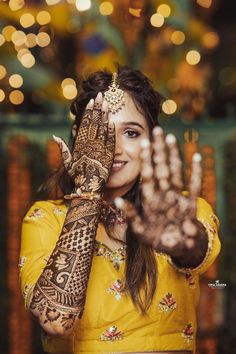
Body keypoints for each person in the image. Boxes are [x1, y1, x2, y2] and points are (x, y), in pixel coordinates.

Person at [19, 65, 221, 354]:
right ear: (79, 138)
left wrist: (186, 243)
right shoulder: (45, 218)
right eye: (101, 132)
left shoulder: (179, 211)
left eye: (131, 132)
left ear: (152, 140)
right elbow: (56, 321)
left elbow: (195, 250)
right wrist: (88, 190)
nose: (113, 148)